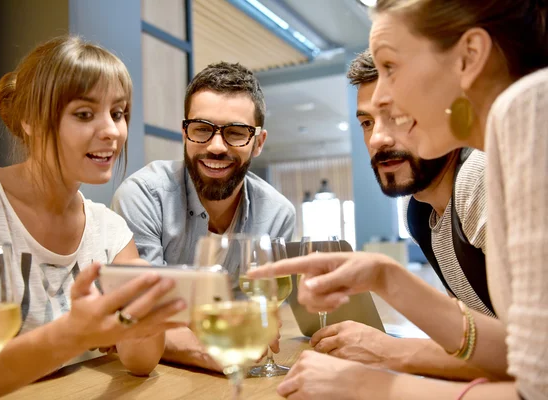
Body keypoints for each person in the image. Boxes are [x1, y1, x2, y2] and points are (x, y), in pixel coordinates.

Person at [250, 1, 548, 398]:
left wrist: (374, 386)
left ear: (470, 57)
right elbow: (525, 354)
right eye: (367, 121)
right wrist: (386, 277)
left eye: (390, 67)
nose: (385, 98)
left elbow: (537, 387)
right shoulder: (426, 210)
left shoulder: (529, 111)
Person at [0, 36, 186, 398]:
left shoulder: (110, 230)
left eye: (118, 113)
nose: (111, 131)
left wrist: (147, 314)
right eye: (84, 114)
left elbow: (140, 362)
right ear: (29, 119)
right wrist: (76, 333)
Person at [309, 50, 492, 380]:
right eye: (367, 122)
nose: (377, 138)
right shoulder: (420, 213)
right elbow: (475, 333)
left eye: (400, 115)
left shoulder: (479, 178)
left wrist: (391, 351)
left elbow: (532, 354)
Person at [112, 61, 294, 371]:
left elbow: (257, 319)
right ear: (185, 133)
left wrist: (194, 329)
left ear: (259, 142)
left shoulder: (277, 214)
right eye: (202, 129)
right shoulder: (142, 197)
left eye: (236, 133)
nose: (217, 146)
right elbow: (142, 324)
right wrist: (214, 350)